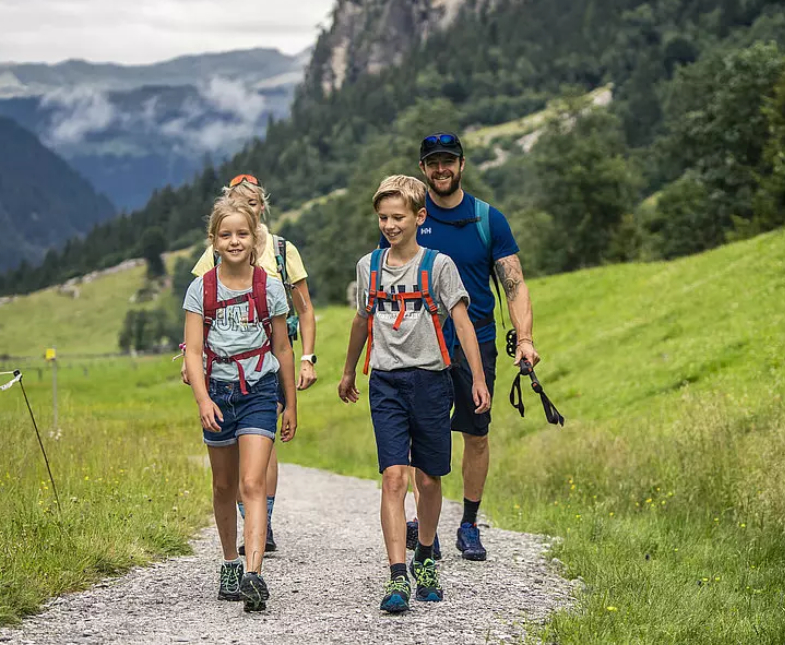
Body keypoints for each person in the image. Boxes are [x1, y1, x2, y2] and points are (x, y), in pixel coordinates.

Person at [338, 175, 490, 613]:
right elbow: (362, 320)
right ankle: (397, 576)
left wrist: (477, 380)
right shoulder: (369, 266)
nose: (389, 225)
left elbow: (463, 324)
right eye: (383, 217)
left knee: (428, 479)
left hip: (431, 381)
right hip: (385, 381)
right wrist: (349, 370)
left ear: (419, 217)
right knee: (393, 476)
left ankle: (425, 557)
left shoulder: (438, 266)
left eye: (398, 217)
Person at [402, 132, 540, 562]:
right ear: (423, 169)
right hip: (421, 345)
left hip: (476, 343)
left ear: (461, 165)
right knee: (422, 435)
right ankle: (426, 526)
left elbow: (513, 285)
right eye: (432, 163)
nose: (441, 169)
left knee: (476, 434)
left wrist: (526, 338)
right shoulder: (412, 218)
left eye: (448, 161)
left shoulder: (487, 219)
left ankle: (469, 524)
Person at [186, 174, 318, 553]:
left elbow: (303, 311)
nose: (247, 210)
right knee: (229, 476)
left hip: (269, 361)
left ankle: (263, 524)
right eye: (239, 201)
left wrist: (307, 357)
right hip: (221, 368)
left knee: (262, 446)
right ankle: (246, 529)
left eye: (253, 203)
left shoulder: (280, 251)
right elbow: (199, 311)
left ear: (262, 209)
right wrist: (189, 357)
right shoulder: (216, 256)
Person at [183, 196, 297, 611]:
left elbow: (283, 347)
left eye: (242, 234)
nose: (235, 241)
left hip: (261, 392)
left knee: (252, 484)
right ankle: (229, 562)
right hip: (217, 393)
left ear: (255, 240)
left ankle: (253, 574)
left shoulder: (269, 287)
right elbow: (193, 352)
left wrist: (291, 405)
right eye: (226, 234)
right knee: (223, 485)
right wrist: (201, 400)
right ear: (213, 241)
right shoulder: (201, 288)